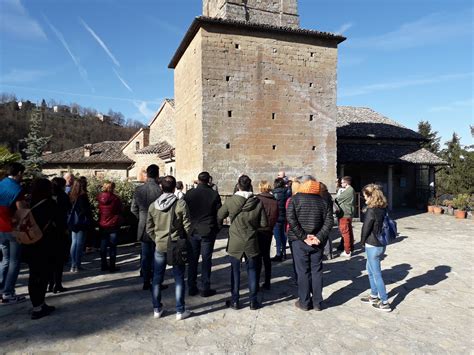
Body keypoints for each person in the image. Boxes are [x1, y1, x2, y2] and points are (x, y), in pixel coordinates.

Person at [217, 175, 268, 310]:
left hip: (235, 241)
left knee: (235, 272)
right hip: (251, 240)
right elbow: (264, 223)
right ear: (250, 186)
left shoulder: (231, 201)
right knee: (252, 271)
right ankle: (253, 301)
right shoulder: (258, 202)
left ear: (238, 185)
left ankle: (235, 300)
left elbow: (220, 215)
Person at [146, 175, 192, 320]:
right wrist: (185, 237)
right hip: (176, 244)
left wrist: (157, 239)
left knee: (157, 278)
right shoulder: (180, 204)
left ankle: (157, 308)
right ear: (174, 188)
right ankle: (180, 310)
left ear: (161, 187)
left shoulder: (153, 206)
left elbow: (149, 228)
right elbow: (188, 226)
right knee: (179, 278)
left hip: (160, 245)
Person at [287, 176, 333, 311]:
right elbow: (329, 221)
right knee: (317, 271)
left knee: (303, 272)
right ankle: (318, 302)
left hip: (299, 241)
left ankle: (304, 302)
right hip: (317, 242)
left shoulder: (295, 199)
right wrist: (319, 236)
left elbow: (291, 219)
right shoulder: (323, 201)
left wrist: (303, 236)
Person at [25, 178, 61, 319]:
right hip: (45, 243)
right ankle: (38, 307)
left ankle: (39, 304)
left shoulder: (29, 202)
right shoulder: (50, 203)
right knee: (43, 275)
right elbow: (58, 222)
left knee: (34, 275)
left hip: (30, 242)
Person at [184, 172, 222, 297]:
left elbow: (185, 212)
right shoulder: (213, 194)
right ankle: (205, 287)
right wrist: (217, 228)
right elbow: (219, 214)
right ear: (209, 180)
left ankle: (191, 286)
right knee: (206, 260)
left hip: (193, 229)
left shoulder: (189, 194)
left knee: (192, 260)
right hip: (208, 229)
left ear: (198, 180)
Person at [360, 184, 392, 312]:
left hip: (372, 244)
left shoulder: (371, 210)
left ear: (370, 196)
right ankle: (374, 296)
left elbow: (366, 228)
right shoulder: (383, 208)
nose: (364, 198)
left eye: (365, 196)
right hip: (381, 243)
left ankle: (384, 301)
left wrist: (362, 241)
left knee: (377, 274)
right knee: (370, 270)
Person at [131, 164, 162, 290]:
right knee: (156, 254)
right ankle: (155, 280)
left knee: (145, 254)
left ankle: (145, 279)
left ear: (147, 174)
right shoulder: (159, 191)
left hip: (143, 224)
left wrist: (141, 218)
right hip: (156, 225)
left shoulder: (138, 190)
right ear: (157, 175)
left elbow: (133, 209)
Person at [0, 162, 26, 304]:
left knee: (4, 260)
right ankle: (8, 293)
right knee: (14, 261)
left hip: (0, 228)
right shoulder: (17, 188)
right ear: (19, 173)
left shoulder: (1, 183)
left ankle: (1, 289)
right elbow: (22, 211)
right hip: (12, 228)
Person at [48, 177, 71, 293]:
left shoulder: (46, 196)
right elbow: (67, 211)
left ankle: (50, 283)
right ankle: (57, 284)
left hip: (48, 232)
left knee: (50, 260)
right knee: (59, 260)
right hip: (60, 231)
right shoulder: (63, 197)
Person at [255, 180, 278, 290]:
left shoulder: (257, 200)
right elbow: (277, 215)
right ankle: (267, 281)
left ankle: (256, 281)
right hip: (269, 230)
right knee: (266, 256)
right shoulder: (274, 201)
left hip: (258, 230)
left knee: (257, 256)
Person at [97, 181, 123, 272]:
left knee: (103, 245)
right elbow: (120, 209)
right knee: (113, 246)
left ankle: (103, 264)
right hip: (113, 223)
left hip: (103, 223)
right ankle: (112, 266)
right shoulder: (115, 199)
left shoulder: (99, 197)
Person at [69, 177, 93, 272]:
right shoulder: (83, 196)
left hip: (73, 222)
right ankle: (77, 265)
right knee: (79, 244)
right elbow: (84, 210)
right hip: (81, 222)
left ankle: (73, 265)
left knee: (74, 243)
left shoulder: (72, 196)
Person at [335, 176, 356, 257]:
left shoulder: (349, 190)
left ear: (346, 183)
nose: (341, 184)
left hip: (345, 214)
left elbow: (338, 199)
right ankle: (351, 247)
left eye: (342, 182)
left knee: (345, 233)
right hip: (348, 213)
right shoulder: (350, 190)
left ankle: (347, 251)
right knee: (349, 231)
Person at [271, 177, 288, 261]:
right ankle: (284, 251)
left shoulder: (273, 193)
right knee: (283, 234)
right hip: (284, 216)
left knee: (277, 236)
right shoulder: (287, 192)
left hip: (276, 217)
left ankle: (278, 253)